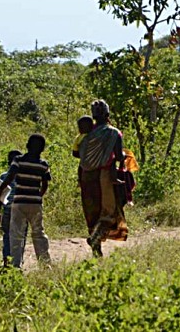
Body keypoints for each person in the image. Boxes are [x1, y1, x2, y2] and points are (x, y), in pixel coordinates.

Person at [78, 100, 128, 257]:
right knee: (109, 211)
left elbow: (81, 156)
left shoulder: (86, 135)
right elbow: (119, 156)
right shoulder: (113, 133)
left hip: (86, 176)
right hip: (104, 175)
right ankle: (96, 239)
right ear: (107, 115)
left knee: (92, 212)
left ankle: (96, 247)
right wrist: (124, 156)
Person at [0, 133, 52, 268]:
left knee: (16, 235)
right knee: (38, 233)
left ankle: (15, 266)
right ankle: (45, 265)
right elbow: (45, 184)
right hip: (35, 204)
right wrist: (38, 196)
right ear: (42, 149)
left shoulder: (18, 161)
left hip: (19, 203)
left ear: (27, 146)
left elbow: (9, 178)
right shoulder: (43, 164)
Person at [0, 149, 24, 267]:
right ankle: (18, 263)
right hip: (21, 209)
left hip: (7, 209)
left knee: (7, 236)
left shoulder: (3, 176)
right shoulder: (24, 176)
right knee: (20, 236)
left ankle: (6, 263)